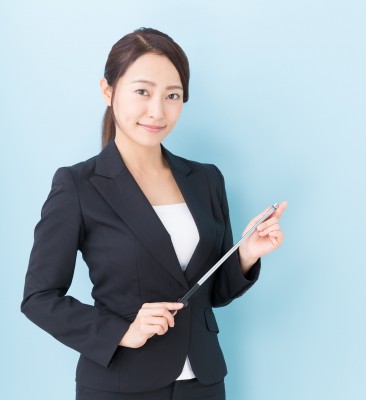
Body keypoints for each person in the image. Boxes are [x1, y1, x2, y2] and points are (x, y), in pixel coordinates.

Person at [21, 27, 287, 400]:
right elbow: (39, 297)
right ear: (108, 91)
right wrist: (122, 331)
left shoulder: (206, 179)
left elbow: (213, 292)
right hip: (119, 384)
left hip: (204, 383)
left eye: (172, 96)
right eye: (142, 92)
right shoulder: (78, 185)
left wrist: (247, 254)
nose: (157, 111)